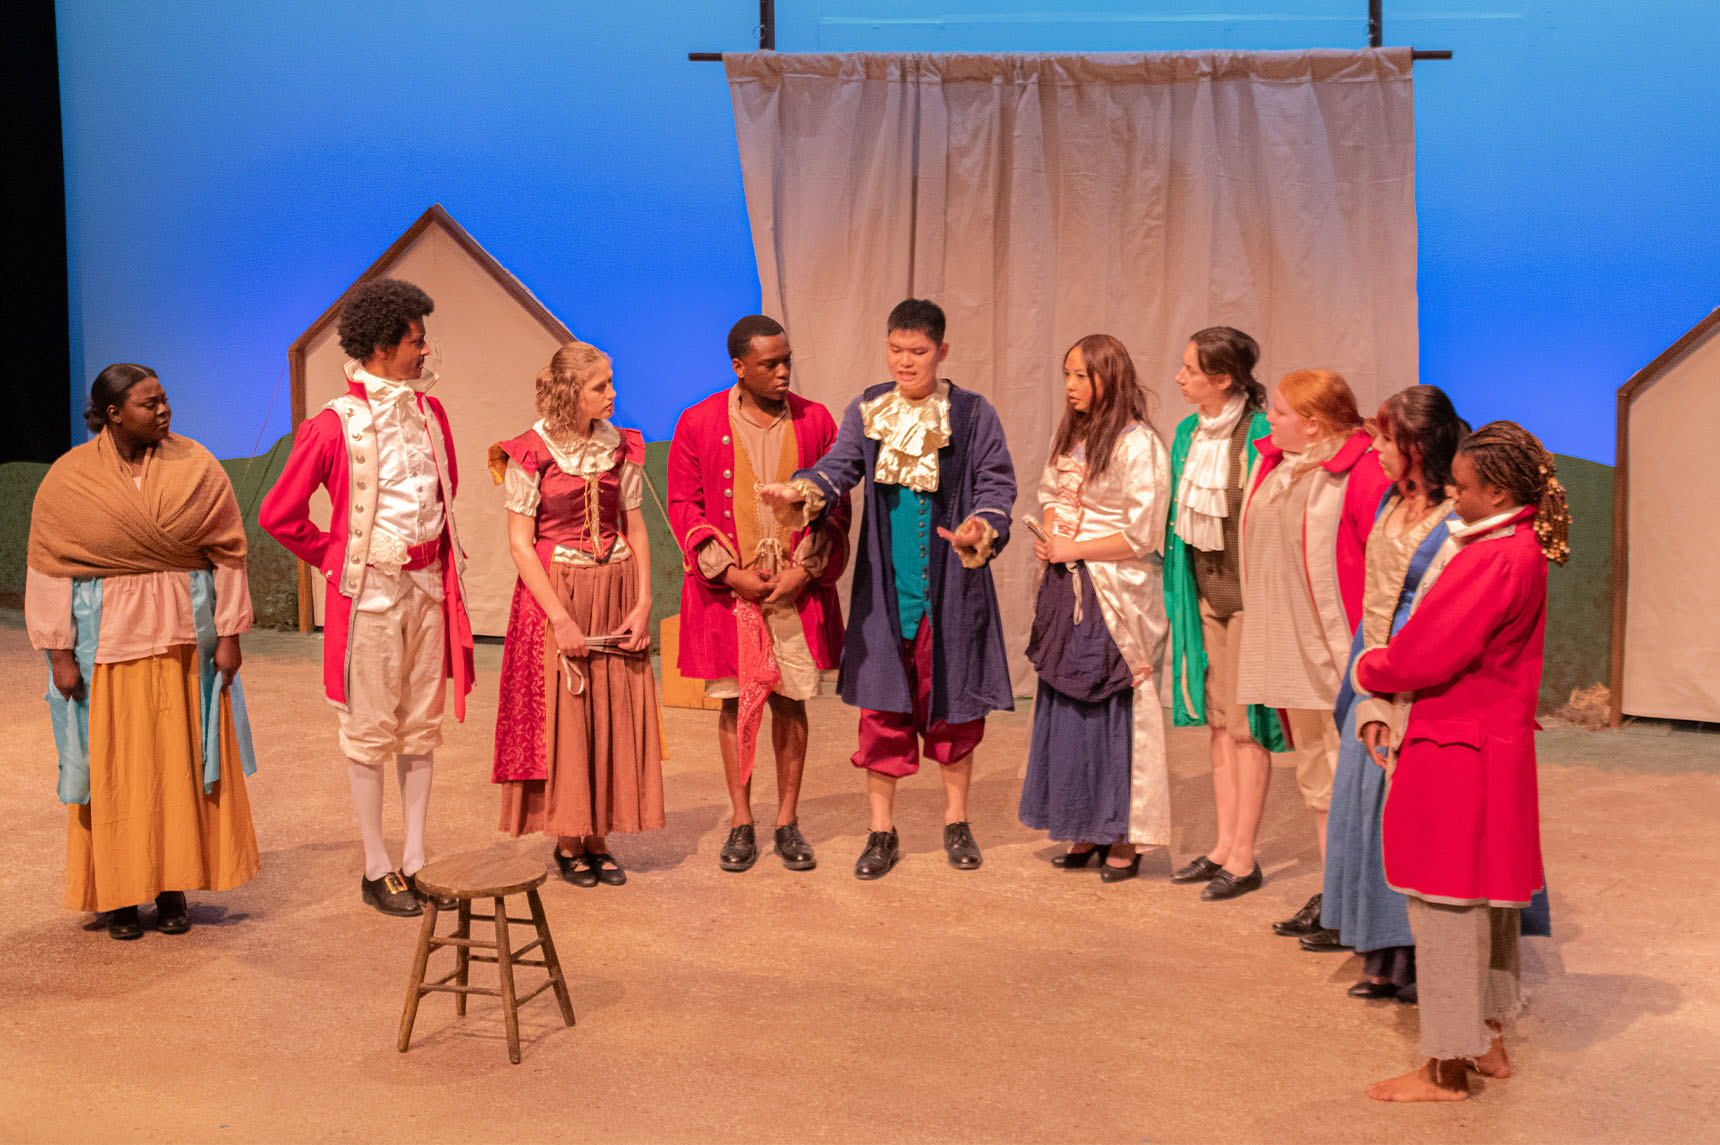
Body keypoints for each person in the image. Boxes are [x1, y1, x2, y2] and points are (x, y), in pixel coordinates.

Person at [760, 299, 1016, 879]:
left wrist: (981, 525)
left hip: (951, 593)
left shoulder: (972, 414)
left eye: (918, 352)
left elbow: (996, 485)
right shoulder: (868, 409)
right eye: (896, 350)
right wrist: (801, 490)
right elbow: (838, 467)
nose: (905, 361)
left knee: (954, 712)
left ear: (941, 351)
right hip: (887, 592)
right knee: (882, 711)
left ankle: (956, 821)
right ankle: (881, 831)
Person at [1356, 421, 1570, 1102]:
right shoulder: (1520, 547)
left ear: (1499, 490)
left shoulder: (1491, 558)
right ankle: (1488, 1037)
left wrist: (1370, 667)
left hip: (1456, 747)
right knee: (1488, 903)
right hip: (1494, 744)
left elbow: (1425, 653)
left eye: (1463, 485)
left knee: (1445, 907)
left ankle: (1445, 1065)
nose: (1452, 493)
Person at [260, 278, 475, 918]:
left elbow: (446, 488)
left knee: (421, 727)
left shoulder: (431, 413)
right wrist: (337, 557)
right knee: (369, 729)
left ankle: (417, 858)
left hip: (428, 586)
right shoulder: (334, 424)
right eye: (415, 341)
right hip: (372, 595)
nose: (425, 350)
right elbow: (278, 513)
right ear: (382, 347)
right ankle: (376, 864)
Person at [27, 363, 259, 940]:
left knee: (177, 764)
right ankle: (119, 895)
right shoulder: (70, 478)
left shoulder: (196, 466)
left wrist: (230, 634)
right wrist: (58, 653)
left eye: (164, 400)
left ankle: (171, 885)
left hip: (184, 639)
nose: (163, 411)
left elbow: (228, 552)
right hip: (106, 642)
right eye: (148, 404)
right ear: (113, 414)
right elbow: (50, 567)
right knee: (115, 768)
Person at [667, 316, 851, 873]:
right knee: (735, 704)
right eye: (770, 363)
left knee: (791, 702)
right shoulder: (698, 421)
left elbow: (836, 504)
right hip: (733, 595)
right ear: (739, 367)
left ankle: (787, 821)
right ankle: (741, 820)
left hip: (793, 589)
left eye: (787, 360)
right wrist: (729, 573)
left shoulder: (816, 420)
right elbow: (684, 506)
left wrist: (805, 570)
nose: (783, 371)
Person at [490, 340, 664, 886]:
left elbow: (635, 527)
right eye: (600, 386)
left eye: (611, 383)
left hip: (614, 589)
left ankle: (599, 835)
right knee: (568, 715)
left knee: (611, 710)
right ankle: (569, 836)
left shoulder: (619, 446)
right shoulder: (530, 452)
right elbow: (521, 544)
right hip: (557, 592)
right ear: (571, 391)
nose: (612, 394)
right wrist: (560, 619)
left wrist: (643, 601)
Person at [1319, 385, 1462, 996]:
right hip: (1370, 658)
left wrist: (1397, 677)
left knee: (1402, 809)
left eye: (1385, 439)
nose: (1374, 449)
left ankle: (1416, 956)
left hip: (1414, 668)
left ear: (1417, 447)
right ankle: (1379, 948)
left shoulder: (1456, 518)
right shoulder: (1388, 499)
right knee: (1363, 802)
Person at [1233, 369, 1389, 912]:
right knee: (1318, 778)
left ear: (1314, 424)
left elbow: (1383, 565)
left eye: (1279, 412)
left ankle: (1359, 904)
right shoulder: (1275, 464)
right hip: (1290, 650)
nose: (1268, 420)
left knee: (1354, 779)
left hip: (1335, 654)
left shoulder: (1359, 472)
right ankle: (1334, 897)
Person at [1018, 335, 1171, 881]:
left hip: (1115, 593)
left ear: (1111, 377)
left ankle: (1122, 832)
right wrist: (1052, 535)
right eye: (1067, 374)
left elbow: (1143, 533)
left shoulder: (1138, 443)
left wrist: (1076, 548)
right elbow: (1051, 494)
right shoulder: (1073, 435)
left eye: (1081, 375)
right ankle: (1083, 822)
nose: (1071, 386)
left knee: (1111, 704)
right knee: (1067, 701)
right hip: (1068, 582)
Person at [1161, 328, 1286, 899]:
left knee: (1245, 725)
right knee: (1217, 723)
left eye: (1191, 370)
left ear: (1224, 379)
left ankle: (1244, 855)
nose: (1180, 378)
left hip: (1251, 601)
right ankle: (1222, 845)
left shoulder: (1261, 435)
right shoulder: (1187, 434)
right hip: (1203, 596)